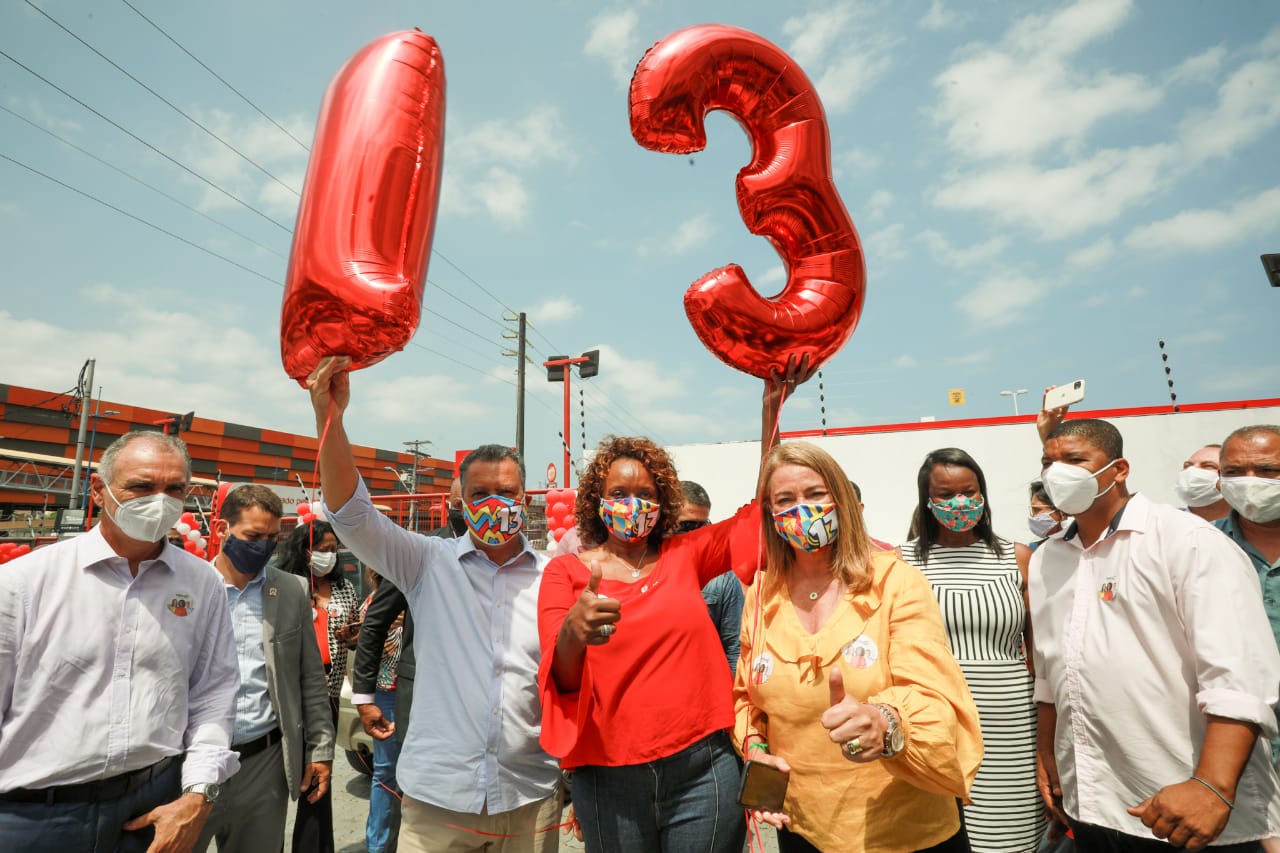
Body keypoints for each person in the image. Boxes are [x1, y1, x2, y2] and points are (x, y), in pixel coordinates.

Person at [537, 362, 808, 852]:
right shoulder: (567, 573)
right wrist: (574, 633)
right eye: (619, 494)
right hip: (609, 776)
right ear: (596, 501)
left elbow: (758, 513)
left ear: (663, 503)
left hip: (703, 769)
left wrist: (770, 412)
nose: (632, 504)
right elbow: (561, 679)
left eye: (645, 494)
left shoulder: (686, 555)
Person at [308, 356, 561, 853]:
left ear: (524, 496)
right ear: (460, 500)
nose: (493, 503)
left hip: (529, 798)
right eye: (479, 493)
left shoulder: (554, 575)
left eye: (505, 492)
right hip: (439, 802)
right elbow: (353, 516)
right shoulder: (427, 562)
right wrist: (329, 419)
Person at [1034, 418, 1280, 849]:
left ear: (1118, 469)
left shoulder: (1186, 541)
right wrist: (1048, 754)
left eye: (1074, 460)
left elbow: (1238, 677)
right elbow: (1051, 671)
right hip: (1091, 800)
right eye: (1048, 462)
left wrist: (1211, 785)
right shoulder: (1049, 558)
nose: (1058, 473)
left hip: (1180, 805)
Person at [737, 440, 984, 852]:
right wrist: (756, 751)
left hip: (903, 829)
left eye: (816, 494)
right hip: (802, 827)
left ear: (842, 500)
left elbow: (933, 693)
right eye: (786, 499)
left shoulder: (894, 581)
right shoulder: (761, 594)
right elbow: (747, 699)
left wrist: (884, 720)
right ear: (771, 514)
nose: (803, 509)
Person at [0, 430, 240, 851]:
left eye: (174, 489)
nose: (160, 501)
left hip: (152, 807)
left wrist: (198, 794)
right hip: (34, 816)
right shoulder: (23, 583)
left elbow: (213, 693)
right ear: (99, 490)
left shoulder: (202, 583)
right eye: (142, 486)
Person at [897, 448, 1042, 852]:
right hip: (934, 727)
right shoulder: (901, 562)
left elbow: (1038, 652)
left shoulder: (1017, 558)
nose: (959, 503)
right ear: (927, 500)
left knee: (1009, 839)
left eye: (969, 491)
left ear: (983, 493)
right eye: (945, 494)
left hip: (1012, 727)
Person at [196, 485, 335, 852]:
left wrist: (320, 749)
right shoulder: (190, 589)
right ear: (223, 530)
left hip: (263, 762)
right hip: (190, 761)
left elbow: (309, 680)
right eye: (253, 536)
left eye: (272, 537)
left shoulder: (290, 591)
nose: (263, 546)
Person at [354, 478, 462, 746]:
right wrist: (365, 697)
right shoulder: (421, 553)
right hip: (423, 695)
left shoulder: (505, 556)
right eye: (462, 503)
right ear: (449, 504)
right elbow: (375, 623)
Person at [275, 518, 357, 853]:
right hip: (290, 694)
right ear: (304, 551)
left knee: (318, 777)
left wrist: (353, 636)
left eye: (333, 550)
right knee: (278, 777)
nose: (328, 556)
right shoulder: (286, 586)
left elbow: (354, 631)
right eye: (321, 550)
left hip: (329, 696)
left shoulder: (344, 588)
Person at [356, 568, 404, 853]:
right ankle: (379, 845)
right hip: (384, 695)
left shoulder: (416, 599)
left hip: (416, 693)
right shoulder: (373, 604)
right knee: (386, 772)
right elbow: (372, 645)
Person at [681, 479, 745, 676]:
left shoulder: (723, 578)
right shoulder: (642, 571)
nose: (697, 534)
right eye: (688, 525)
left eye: (704, 525)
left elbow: (734, 648)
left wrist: (736, 703)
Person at [1176, 444, 1230, 522]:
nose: (1192, 471)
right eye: (1187, 466)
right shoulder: (1162, 525)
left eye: (1208, 466)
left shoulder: (1249, 528)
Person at [1028, 481, 1065, 550]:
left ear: (1060, 510)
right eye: (1032, 510)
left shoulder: (1079, 546)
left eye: (1037, 510)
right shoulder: (1034, 550)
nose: (1034, 517)